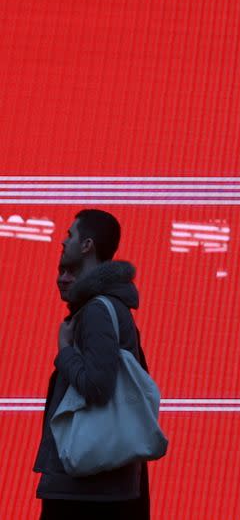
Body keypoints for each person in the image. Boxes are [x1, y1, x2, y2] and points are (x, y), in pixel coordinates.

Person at [34, 209, 151, 519]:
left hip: (87, 486)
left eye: (70, 235)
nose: (63, 240)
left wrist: (64, 350)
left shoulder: (97, 310)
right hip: (100, 483)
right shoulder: (105, 307)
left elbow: (97, 387)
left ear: (87, 245)